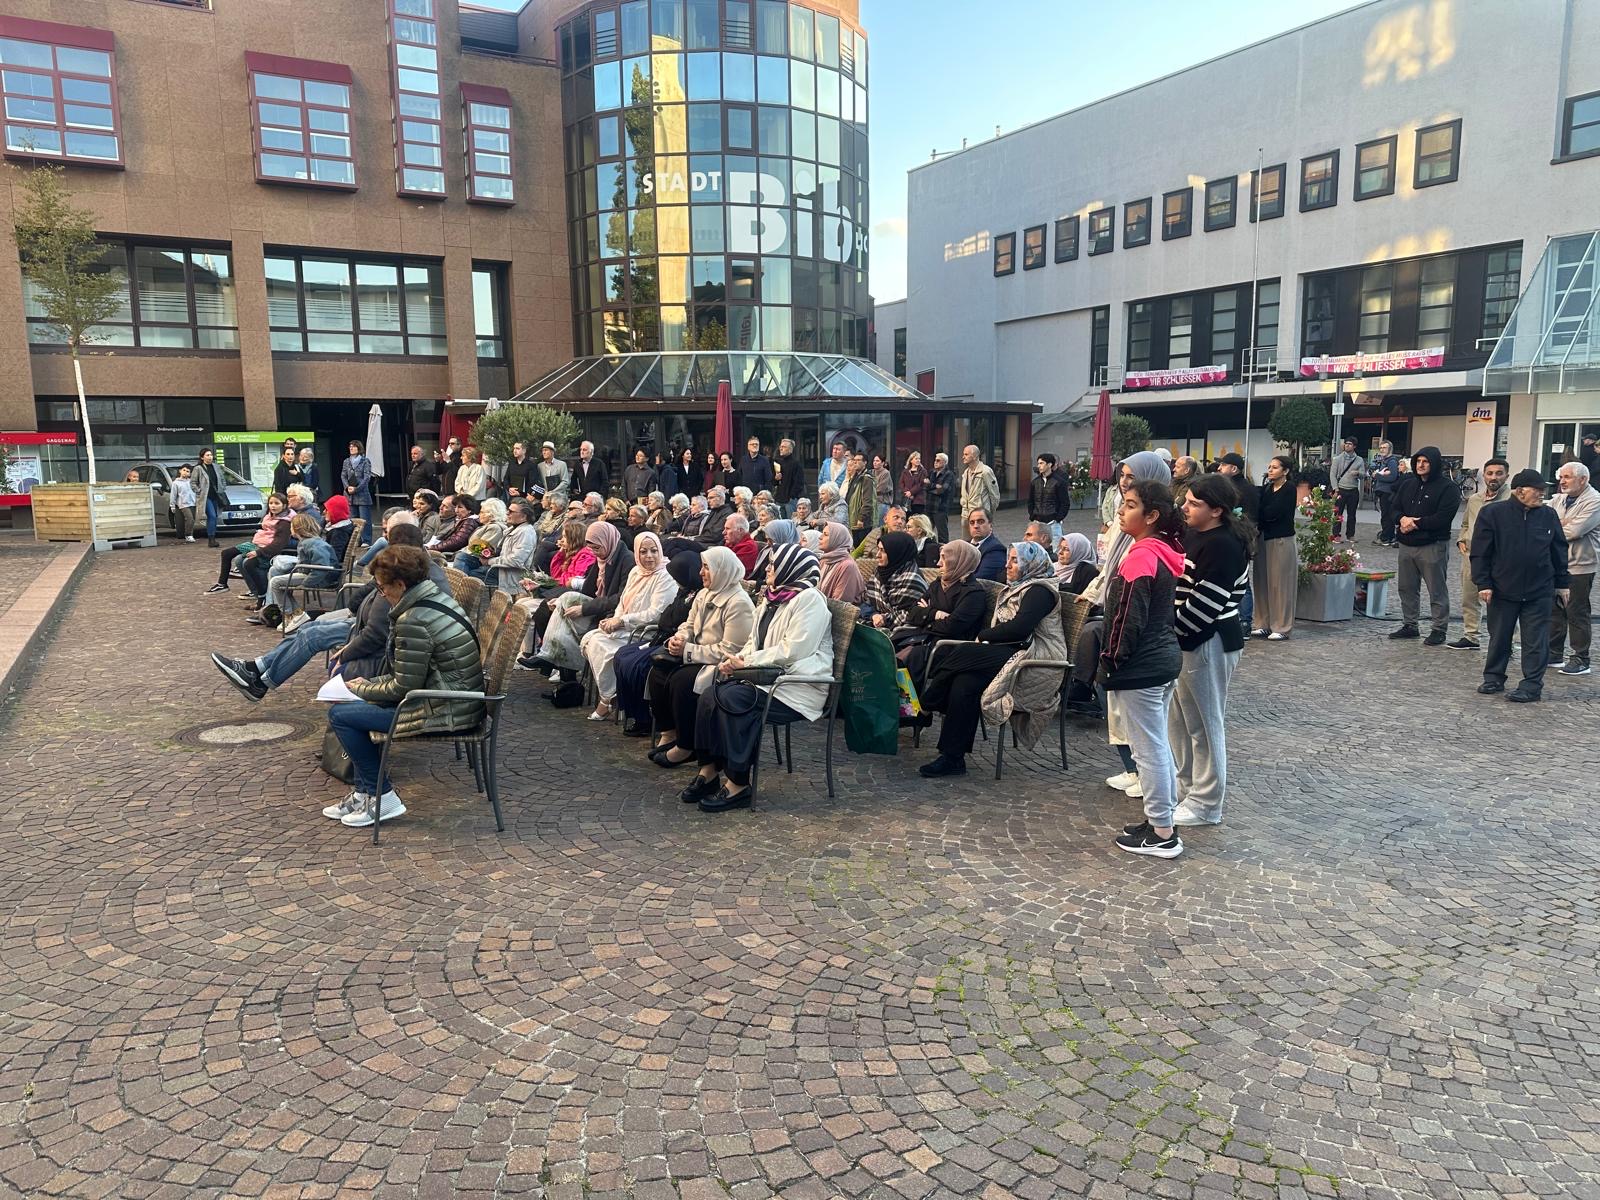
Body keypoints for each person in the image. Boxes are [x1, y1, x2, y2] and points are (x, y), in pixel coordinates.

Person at [324, 545, 484, 828]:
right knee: (352, 706)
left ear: (400, 584)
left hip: (444, 709)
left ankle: (382, 795)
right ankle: (365, 793)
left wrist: (361, 689)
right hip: (455, 700)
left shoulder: (414, 619)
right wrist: (367, 685)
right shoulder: (435, 599)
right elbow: (408, 678)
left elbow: (403, 688)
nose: (381, 593)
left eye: (382, 587)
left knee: (341, 715)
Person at [679, 545, 833, 813]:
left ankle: (738, 784)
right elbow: (754, 641)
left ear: (791, 567)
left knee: (733, 700)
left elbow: (794, 650)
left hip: (797, 686)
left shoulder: (810, 600)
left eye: (775, 563)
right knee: (710, 694)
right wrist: (736, 660)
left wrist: (746, 663)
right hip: (767, 677)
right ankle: (709, 771)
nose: (769, 568)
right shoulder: (774, 597)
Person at [919, 540, 1065, 778]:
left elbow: (1020, 628)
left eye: (1015, 560)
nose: (1007, 565)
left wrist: (984, 636)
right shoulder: (1019, 586)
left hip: (1035, 657)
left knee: (963, 652)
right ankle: (952, 758)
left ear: (1031, 564)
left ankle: (925, 706)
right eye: (1009, 559)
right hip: (1011, 650)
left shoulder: (1040, 590)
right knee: (964, 683)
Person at [1101, 481, 1186, 858]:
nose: (1121, 511)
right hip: (1160, 660)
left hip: (1143, 665)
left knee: (1148, 750)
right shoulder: (1162, 550)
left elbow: (1126, 618)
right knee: (1156, 746)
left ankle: (1163, 832)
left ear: (1151, 516)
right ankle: (1159, 820)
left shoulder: (1142, 555)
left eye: (1131, 505)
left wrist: (1111, 660)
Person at [1168, 475, 1253, 828]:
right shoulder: (1195, 534)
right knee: (1179, 721)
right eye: (1186, 500)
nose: (1185, 507)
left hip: (1209, 640)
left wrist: (1167, 632)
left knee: (1204, 723)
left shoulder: (1224, 545)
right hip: (1186, 639)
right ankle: (1186, 788)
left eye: (1194, 503)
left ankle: (1206, 802)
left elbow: (1203, 608)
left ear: (1216, 510)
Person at [646, 546, 758, 767]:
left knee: (682, 682)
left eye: (707, 567)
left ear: (721, 570)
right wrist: (679, 638)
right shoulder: (705, 593)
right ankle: (670, 731)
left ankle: (686, 746)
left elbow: (730, 650)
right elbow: (688, 624)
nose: (701, 572)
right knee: (657, 672)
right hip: (697, 655)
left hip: (720, 665)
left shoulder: (739, 603)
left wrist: (687, 651)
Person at [1472, 469, 1570, 703]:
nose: (1542, 494)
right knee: (1499, 637)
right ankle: (1493, 677)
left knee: (1535, 641)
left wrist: (1562, 583)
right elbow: (1481, 551)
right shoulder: (1493, 513)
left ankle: (1531, 686)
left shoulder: (1548, 515)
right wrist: (1483, 583)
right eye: (1538, 490)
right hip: (1502, 588)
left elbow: (1559, 550)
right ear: (1520, 491)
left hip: (1539, 590)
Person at [580, 531, 680, 721]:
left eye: (653, 551)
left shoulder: (665, 576)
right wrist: (614, 620)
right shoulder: (636, 571)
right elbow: (622, 602)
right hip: (626, 626)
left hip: (644, 632)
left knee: (602, 646)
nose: (649, 556)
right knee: (590, 639)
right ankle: (612, 695)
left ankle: (607, 699)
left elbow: (656, 614)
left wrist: (622, 621)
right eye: (643, 552)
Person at [614, 549, 705, 735]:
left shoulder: (699, 595)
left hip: (673, 642)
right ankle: (631, 711)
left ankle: (645, 719)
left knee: (637, 666)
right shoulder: (684, 591)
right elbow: (668, 617)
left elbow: (679, 621)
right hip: (662, 636)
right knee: (622, 655)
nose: (676, 581)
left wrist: (672, 628)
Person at [1389, 446, 1460, 645]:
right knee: (1407, 588)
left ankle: (1439, 629)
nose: (1421, 465)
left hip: (1432, 545)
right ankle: (1410, 625)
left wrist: (1415, 523)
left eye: (1425, 461)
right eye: (1418, 461)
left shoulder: (1448, 488)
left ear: (1434, 463)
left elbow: (1443, 518)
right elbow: (1394, 508)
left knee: (1436, 589)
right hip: (1406, 545)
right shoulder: (1408, 484)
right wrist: (1401, 519)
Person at [897, 539, 987, 688]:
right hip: (925, 638)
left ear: (960, 561)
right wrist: (936, 614)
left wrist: (925, 616)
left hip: (948, 647)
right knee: (889, 646)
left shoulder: (973, 593)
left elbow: (951, 627)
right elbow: (912, 613)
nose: (938, 563)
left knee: (911, 657)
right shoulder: (938, 584)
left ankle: (908, 700)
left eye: (944, 558)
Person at [1448, 458, 1510, 650]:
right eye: (1490, 473)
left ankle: (1505, 641)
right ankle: (1471, 636)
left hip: (1499, 558)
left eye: (1499, 473)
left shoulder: (1512, 499)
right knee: (1469, 597)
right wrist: (1461, 539)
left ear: (1507, 475)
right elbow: (1466, 523)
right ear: (1484, 475)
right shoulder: (1475, 499)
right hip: (1472, 556)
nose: (1494, 477)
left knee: (1500, 602)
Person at [1548, 460, 1600, 676]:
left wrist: (1556, 526)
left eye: (1567, 477)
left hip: (1580, 565)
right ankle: (1553, 654)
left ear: (1583, 479)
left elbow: (1575, 531)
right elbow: (1543, 521)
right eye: (1561, 477)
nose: (1562, 481)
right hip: (1556, 563)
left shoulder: (1595, 501)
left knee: (1576, 611)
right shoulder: (1558, 499)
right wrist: (1561, 524)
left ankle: (1581, 658)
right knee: (1554, 610)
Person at [259, 513, 340, 631]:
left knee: (276, 582)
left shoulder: (313, 544)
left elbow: (321, 567)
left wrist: (307, 583)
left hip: (320, 578)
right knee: (278, 579)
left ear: (297, 528)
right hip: (314, 574)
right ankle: (293, 614)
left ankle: (291, 614)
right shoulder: (308, 542)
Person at [207, 492, 290, 596]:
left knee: (247, 562)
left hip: (264, 548)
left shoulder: (284, 522)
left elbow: (278, 544)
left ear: (284, 506)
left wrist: (258, 552)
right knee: (226, 553)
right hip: (255, 544)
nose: (273, 506)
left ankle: (260, 593)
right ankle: (222, 584)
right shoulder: (269, 516)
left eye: (277, 503)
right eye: (271, 503)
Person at [1251, 455, 1298, 641]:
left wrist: (1261, 514)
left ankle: (1282, 626)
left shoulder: (1289, 489)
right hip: (1263, 537)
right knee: (1261, 581)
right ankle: (1263, 623)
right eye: (1269, 467)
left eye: (1275, 467)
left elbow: (1274, 512)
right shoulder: (1267, 488)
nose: (1270, 470)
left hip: (1281, 538)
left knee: (1280, 583)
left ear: (1285, 471)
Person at [863, 531, 929, 632]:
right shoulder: (879, 573)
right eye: (878, 549)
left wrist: (884, 618)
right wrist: (874, 615)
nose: (877, 555)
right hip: (876, 626)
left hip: (903, 632)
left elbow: (911, 615)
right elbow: (866, 603)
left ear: (896, 553)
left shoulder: (912, 580)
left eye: (883, 551)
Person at [817, 521, 866, 604]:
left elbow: (840, 603)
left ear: (837, 539)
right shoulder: (824, 560)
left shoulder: (847, 566)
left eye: (825, 534)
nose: (820, 537)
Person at [1329, 437, 1366, 542]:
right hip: (1340, 489)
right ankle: (1336, 535)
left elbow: (1363, 474)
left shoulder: (1359, 460)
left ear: (1354, 446)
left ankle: (1350, 535)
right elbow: (1332, 475)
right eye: (1346, 444)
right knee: (1337, 513)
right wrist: (1335, 489)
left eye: (1350, 444)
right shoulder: (1337, 459)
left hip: (1353, 490)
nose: (1347, 445)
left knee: (1352, 514)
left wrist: (1358, 473)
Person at [1028, 454, 1070, 545]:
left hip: (1053, 523)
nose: (1039, 466)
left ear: (1049, 464)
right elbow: (1030, 501)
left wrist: (1058, 518)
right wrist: (1032, 516)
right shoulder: (1034, 482)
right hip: (1038, 522)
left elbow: (1065, 503)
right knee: (1037, 548)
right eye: (1038, 463)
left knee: (1055, 549)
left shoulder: (1059, 482)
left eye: (1041, 463)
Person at [342, 440, 375, 544]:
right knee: (352, 520)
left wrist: (357, 489)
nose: (351, 448)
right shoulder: (346, 461)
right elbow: (343, 475)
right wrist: (347, 487)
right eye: (350, 446)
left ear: (359, 448)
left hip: (362, 494)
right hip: (349, 495)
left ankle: (366, 540)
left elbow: (367, 477)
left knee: (365, 519)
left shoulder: (365, 461)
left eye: (354, 446)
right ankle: (355, 540)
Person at [1370, 440, 1401, 546]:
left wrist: (1377, 476)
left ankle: (1386, 538)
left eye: (1384, 448)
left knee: (1386, 516)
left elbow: (1392, 477)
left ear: (1390, 449)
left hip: (1387, 492)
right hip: (1384, 491)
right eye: (1381, 448)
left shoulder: (1391, 461)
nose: (1382, 450)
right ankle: (1389, 536)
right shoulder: (1385, 461)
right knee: (1387, 515)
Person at [964, 509, 1006, 582]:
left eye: (981, 522)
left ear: (990, 525)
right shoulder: (964, 545)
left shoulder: (996, 549)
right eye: (972, 522)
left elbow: (980, 580)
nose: (976, 526)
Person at [844, 451, 877, 545]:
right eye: (854, 460)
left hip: (862, 522)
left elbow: (868, 501)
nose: (855, 462)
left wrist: (861, 518)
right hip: (853, 518)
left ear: (865, 462)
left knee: (861, 546)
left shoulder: (866, 478)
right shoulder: (855, 477)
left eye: (858, 460)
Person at [194, 448, 225, 547]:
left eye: (211, 455)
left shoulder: (216, 467)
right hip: (205, 497)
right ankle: (211, 539)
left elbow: (222, 479)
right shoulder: (198, 468)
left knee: (215, 516)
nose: (210, 457)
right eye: (207, 455)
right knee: (212, 515)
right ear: (202, 457)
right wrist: (199, 491)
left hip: (216, 495)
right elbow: (193, 482)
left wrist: (222, 488)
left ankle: (213, 537)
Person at [959, 444, 999, 518]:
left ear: (975, 456)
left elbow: (994, 495)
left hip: (980, 515)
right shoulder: (966, 472)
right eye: (963, 454)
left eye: (966, 454)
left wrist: (989, 514)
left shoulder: (986, 471)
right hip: (965, 515)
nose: (963, 457)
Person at [928, 451, 956, 543]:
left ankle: (944, 549)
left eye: (938, 460)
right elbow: (924, 486)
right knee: (927, 532)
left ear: (944, 462)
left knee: (942, 534)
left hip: (940, 507)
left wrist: (930, 486)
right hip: (929, 506)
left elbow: (942, 490)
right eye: (935, 460)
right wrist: (935, 486)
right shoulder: (932, 472)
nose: (935, 462)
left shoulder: (949, 474)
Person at [773, 438, 802, 516]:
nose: (781, 448)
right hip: (779, 499)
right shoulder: (777, 462)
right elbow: (773, 482)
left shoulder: (796, 464)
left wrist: (792, 496)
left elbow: (799, 483)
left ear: (790, 449)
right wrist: (776, 479)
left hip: (790, 500)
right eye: (780, 447)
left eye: (784, 447)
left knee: (790, 521)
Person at [171, 464, 198, 543]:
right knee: (190, 518)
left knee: (192, 520)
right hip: (183, 504)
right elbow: (173, 495)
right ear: (180, 471)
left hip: (192, 503)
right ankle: (188, 535)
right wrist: (172, 505)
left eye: (188, 471)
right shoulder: (176, 483)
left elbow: (196, 491)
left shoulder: (191, 482)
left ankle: (190, 534)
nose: (185, 472)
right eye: (184, 470)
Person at [899, 450, 930, 515]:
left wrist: (911, 492)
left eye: (919, 459)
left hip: (918, 500)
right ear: (911, 460)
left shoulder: (923, 471)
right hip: (907, 500)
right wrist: (907, 492)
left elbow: (921, 484)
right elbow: (901, 483)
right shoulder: (905, 471)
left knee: (917, 518)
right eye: (916, 459)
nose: (918, 460)